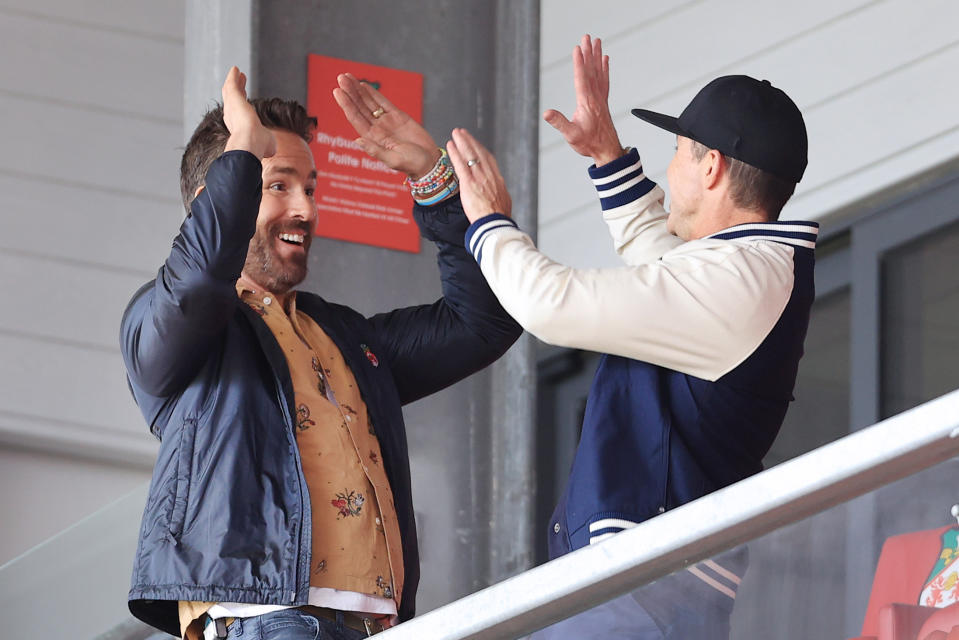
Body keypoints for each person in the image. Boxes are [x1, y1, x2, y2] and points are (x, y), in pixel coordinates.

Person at [120, 67, 520, 640]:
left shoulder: (346, 336)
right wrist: (241, 156)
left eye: (311, 187)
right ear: (220, 197)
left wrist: (435, 183)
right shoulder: (170, 323)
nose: (306, 209)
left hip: (376, 625)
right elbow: (198, 279)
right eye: (278, 184)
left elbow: (484, 322)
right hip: (266, 621)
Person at [443, 36, 816, 638]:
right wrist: (607, 156)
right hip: (654, 584)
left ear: (712, 166)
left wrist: (487, 220)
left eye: (677, 152)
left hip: (645, 586)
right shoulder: (752, 271)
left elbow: (549, 303)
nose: (670, 166)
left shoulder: (743, 279)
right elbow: (663, 265)